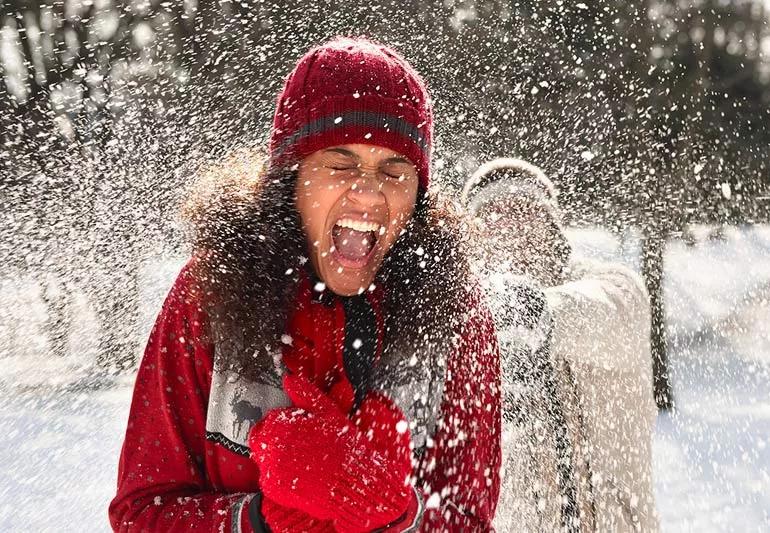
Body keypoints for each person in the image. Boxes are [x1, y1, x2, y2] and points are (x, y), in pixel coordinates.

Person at [109, 37, 506, 532]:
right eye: (340, 165)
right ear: (290, 181)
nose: (367, 192)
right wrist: (256, 520)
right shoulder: (209, 293)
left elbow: (470, 520)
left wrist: (397, 515)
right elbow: (141, 512)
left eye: (394, 170)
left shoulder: (454, 316)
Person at [462, 158, 659, 532]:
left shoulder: (612, 286)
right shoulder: (466, 323)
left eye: (525, 212)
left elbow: (614, 314)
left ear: (552, 227)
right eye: (493, 217)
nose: (511, 230)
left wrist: (537, 311)